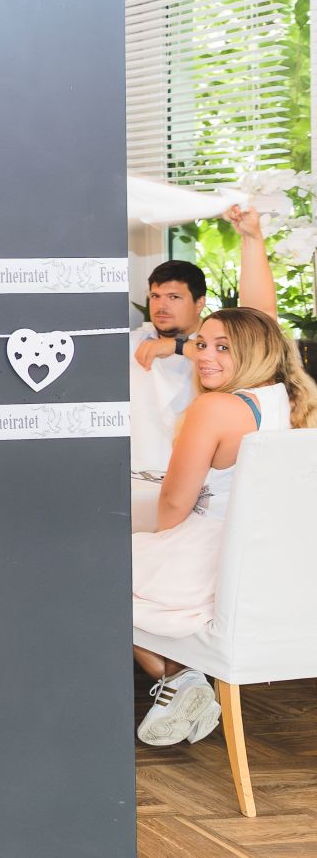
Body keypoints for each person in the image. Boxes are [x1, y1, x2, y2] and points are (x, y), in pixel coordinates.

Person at [131, 306, 316, 746]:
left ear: (254, 352)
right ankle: (180, 681)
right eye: (201, 344)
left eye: (223, 347)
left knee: (86, 575)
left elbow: (173, 506)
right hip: (271, 573)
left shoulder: (216, 407)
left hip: (206, 564)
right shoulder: (290, 402)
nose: (204, 356)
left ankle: (177, 677)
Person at [131, 206, 274, 473]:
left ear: (200, 303)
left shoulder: (224, 352)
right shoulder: (134, 342)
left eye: (174, 297)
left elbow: (262, 317)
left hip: (205, 480)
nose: (161, 306)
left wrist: (177, 347)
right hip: (139, 475)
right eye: (155, 296)